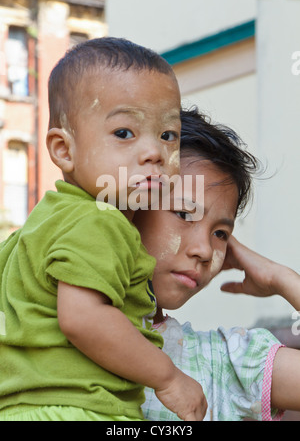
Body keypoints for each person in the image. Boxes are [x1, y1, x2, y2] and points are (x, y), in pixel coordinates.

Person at [0, 39, 207, 422]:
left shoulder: (40, 224)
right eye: (125, 133)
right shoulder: (100, 219)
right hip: (79, 410)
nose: (155, 153)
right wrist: (168, 377)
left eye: (168, 135)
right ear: (64, 150)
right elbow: (83, 318)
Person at [133, 106, 300, 421]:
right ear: (129, 206)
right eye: (184, 214)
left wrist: (282, 278)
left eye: (220, 233)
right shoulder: (54, 324)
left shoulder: (229, 363)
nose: (205, 250)